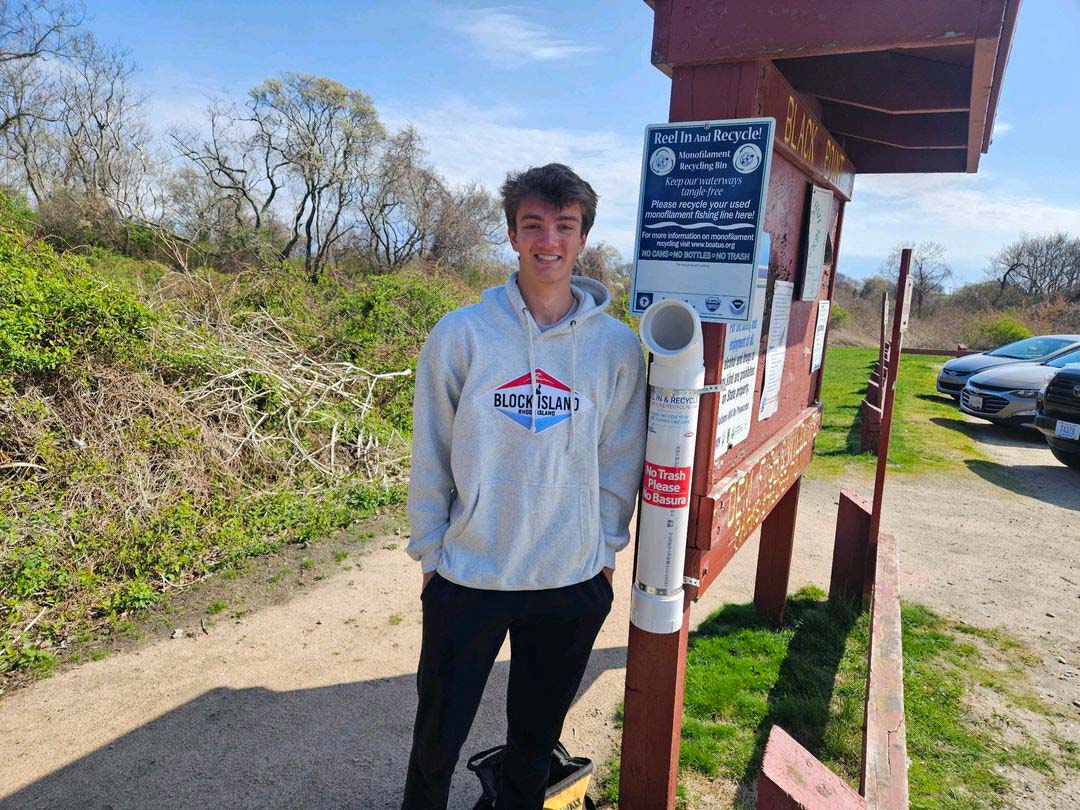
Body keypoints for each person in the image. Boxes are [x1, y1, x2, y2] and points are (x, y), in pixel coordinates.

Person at [401, 163, 647, 809]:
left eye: (564, 225)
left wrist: (603, 552)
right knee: (435, 742)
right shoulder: (462, 335)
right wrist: (431, 555)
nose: (549, 240)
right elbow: (431, 449)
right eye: (533, 224)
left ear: (583, 237)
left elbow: (620, 460)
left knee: (534, 747)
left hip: (570, 582)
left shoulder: (616, 348)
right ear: (512, 235)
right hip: (469, 577)